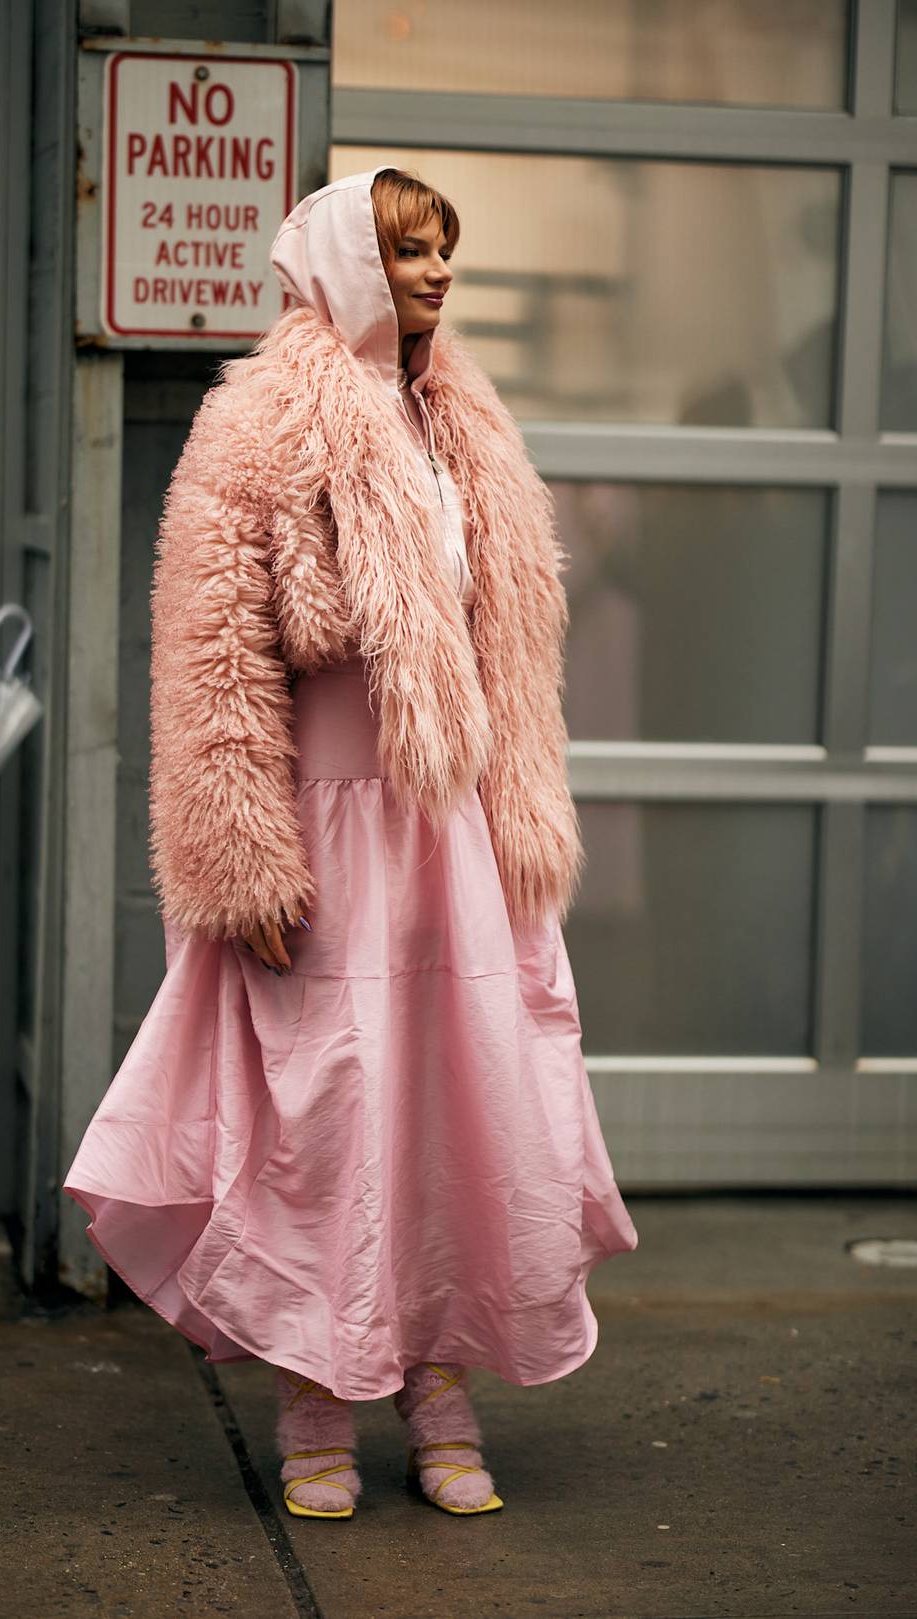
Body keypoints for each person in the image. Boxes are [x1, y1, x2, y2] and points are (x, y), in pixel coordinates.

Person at [63, 167, 638, 1521]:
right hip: (324, 829)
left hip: (451, 836)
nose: (436, 274)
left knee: (457, 1110)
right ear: (343, 261)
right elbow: (210, 658)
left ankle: (440, 1386)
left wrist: (515, 823)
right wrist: (239, 854)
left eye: (444, 250)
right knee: (319, 1116)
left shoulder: (462, 419)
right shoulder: (263, 419)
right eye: (407, 250)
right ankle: (316, 1396)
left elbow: (508, 647)